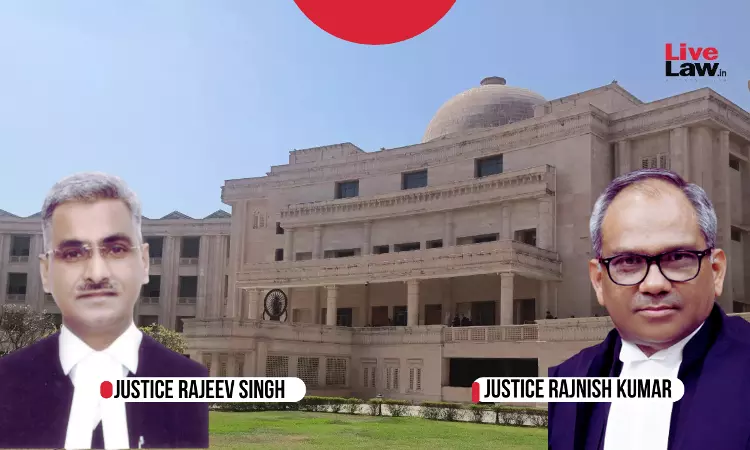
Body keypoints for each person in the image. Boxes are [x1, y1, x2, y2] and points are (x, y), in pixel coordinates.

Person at [0, 173, 209, 449]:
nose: (97, 273)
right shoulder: (5, 381)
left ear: (144, 262)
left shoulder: (187, 381)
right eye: (73, 253)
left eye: (116, 249)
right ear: (46, 272)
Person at [548, 168, 750, 450]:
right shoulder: (566, 380)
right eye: (629, 261)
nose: (654, 284)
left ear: (716, 271)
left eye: (678, 257)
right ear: (598, 281)